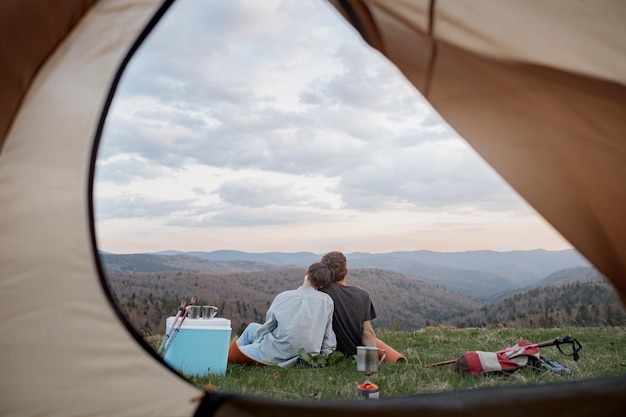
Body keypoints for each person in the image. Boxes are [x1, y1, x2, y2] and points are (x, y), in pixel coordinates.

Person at [233, 262, 336, 367]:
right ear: (322, 285)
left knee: (228, 353)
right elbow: (328, 336)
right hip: (307, 356)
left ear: (307, 273)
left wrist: (259, 344)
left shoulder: (283, 297)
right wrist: (325, 356)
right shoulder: (327, 301)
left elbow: (268, 326)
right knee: (252, 327)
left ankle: (231, 359)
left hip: (277, 354)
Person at [319, 251, 377, 356]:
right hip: (355, 353)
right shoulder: (363, 295)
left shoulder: (320, 293)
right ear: (346, 272)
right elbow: (367, 332)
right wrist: (372, 361)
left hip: (329, 353)